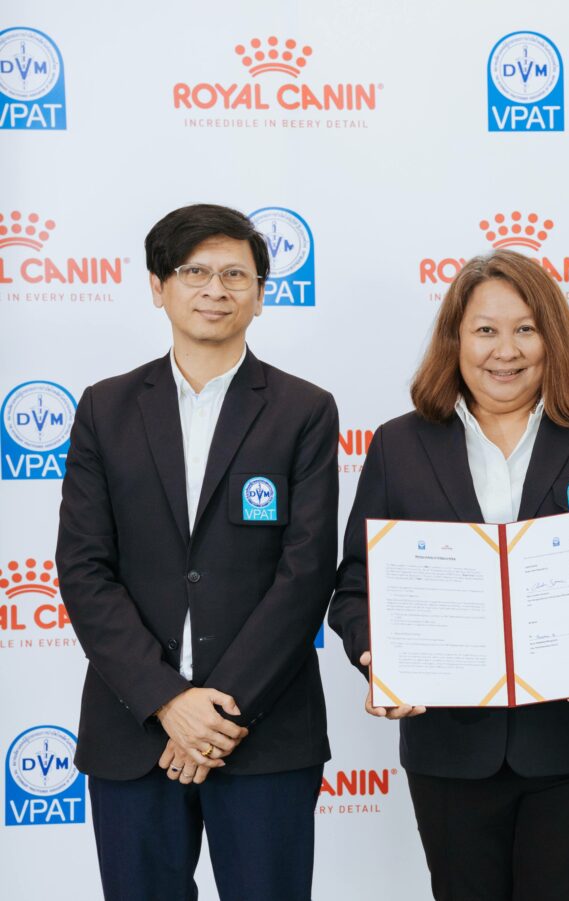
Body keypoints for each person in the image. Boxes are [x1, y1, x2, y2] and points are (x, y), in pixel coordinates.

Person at [327, 248, 569, 901]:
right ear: (455, 339)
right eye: (485, 330)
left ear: (554, 337)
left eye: (526, 329)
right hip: (448, 742)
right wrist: (376, 656)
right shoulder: (400, 444)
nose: (506, 350)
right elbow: (356, 585)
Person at [55, 204, 339, 901]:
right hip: (133, 729)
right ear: (159, 286)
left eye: (235, 275)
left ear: (261, 294)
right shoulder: (105, 408)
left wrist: (216, 716)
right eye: (195, 272)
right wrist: (168, 702)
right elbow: (84, 568)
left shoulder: (303, 409)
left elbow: (304, 574)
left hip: (265, 732)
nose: (216, 289)